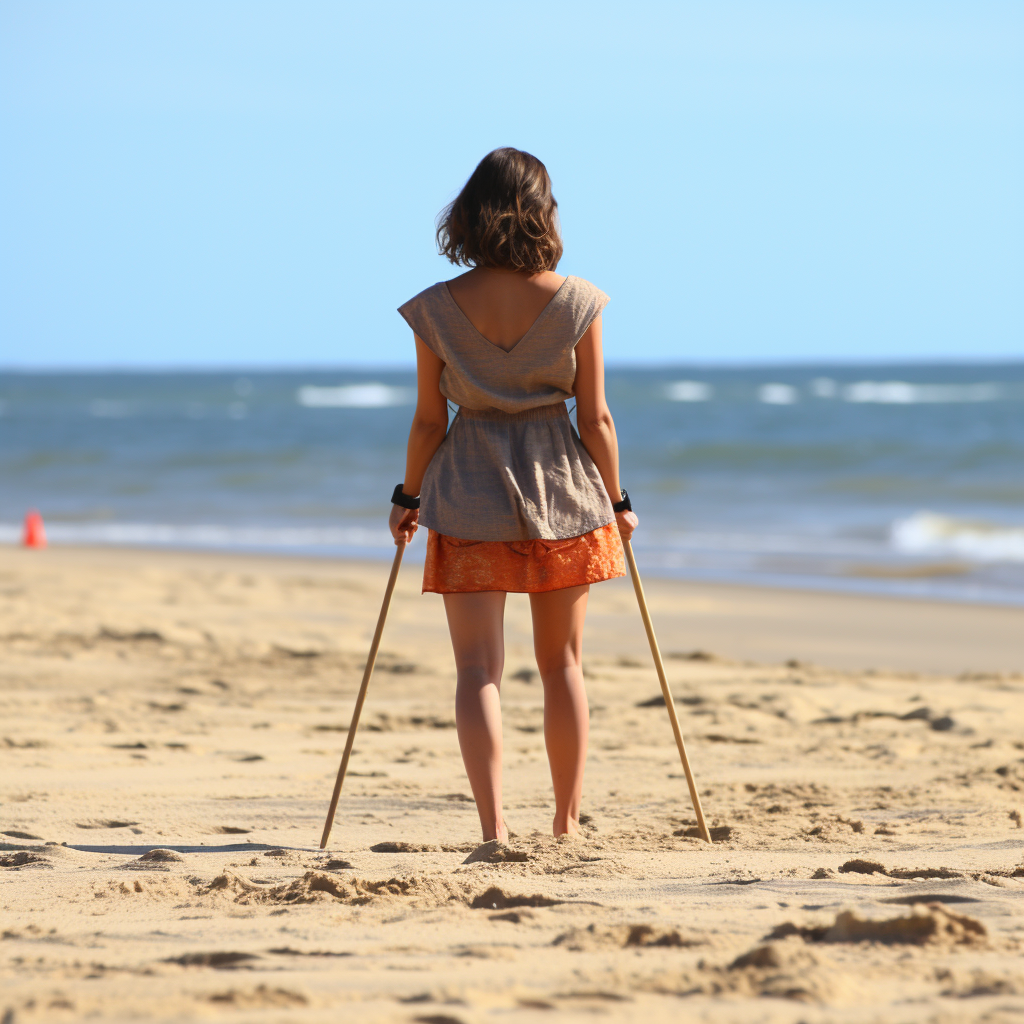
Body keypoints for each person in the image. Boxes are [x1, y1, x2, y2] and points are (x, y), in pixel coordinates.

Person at [390, 147, 638, 844]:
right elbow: (596, 421)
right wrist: (618, 505)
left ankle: (494, 831)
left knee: (476, 670)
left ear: (468, 214)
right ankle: (564, 825)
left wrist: (407, 497)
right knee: (562, 665)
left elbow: (428, 421)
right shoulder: (580, 302)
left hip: (467, 490)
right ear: (542, 213)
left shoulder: (436, 309)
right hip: (562, 492)